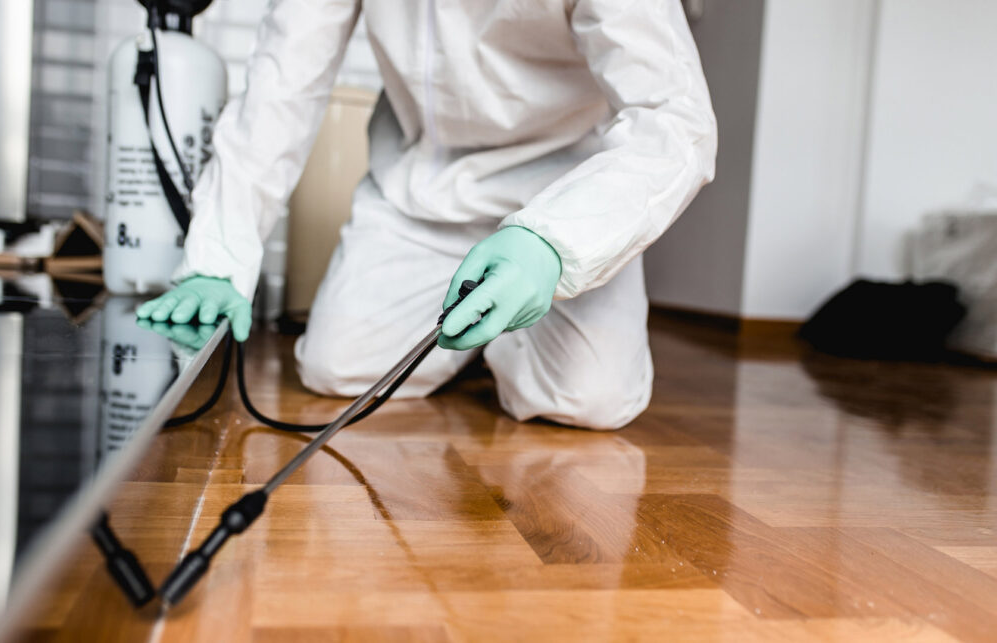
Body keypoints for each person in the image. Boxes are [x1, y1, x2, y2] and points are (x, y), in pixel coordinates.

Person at [136, 0, 717, 430]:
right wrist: (218, 256)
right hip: (421, 191)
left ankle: (510, 319)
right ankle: (471, 345)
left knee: (590, 399)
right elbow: (283, 86)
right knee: (335, 368)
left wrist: (554, 245)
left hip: (561, 195)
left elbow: (674, 120)